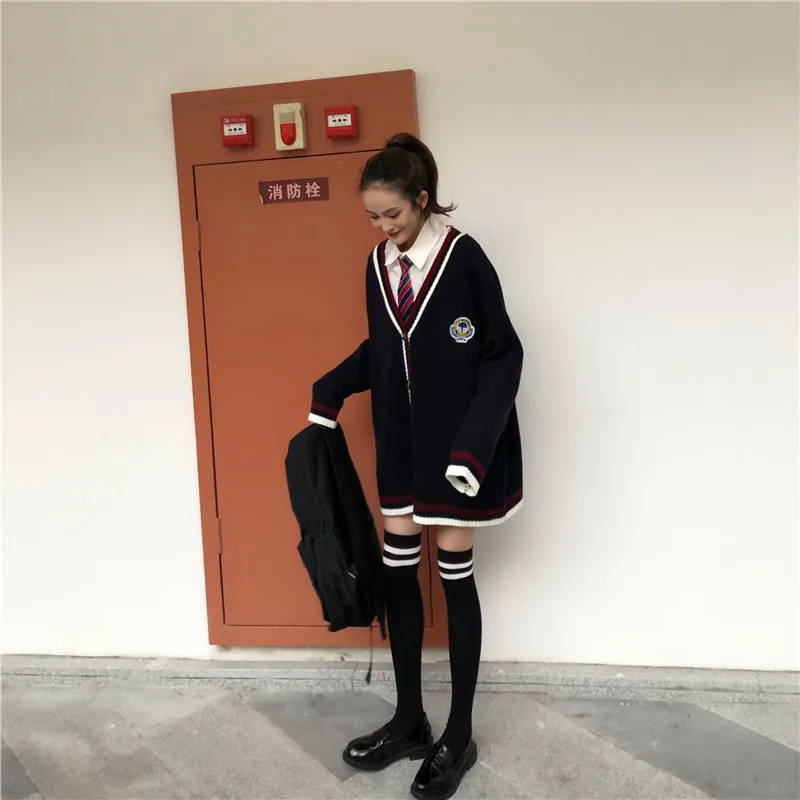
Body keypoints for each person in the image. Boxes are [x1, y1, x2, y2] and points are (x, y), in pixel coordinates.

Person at [308, 133, 524, 800]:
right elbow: (383, 348)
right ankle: (409, 720)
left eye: (392, 214)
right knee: (399, 573)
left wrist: (474, 448)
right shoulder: (378, 265)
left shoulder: (463, 258)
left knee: (454, 577)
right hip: (402, 450)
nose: (383, 227)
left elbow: (503, 354)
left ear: (422, 199)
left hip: (459, 454)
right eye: (372, 217)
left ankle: (458, 735)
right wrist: (331, 388)